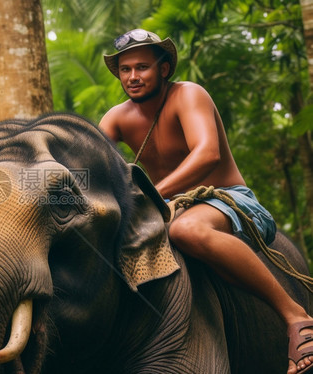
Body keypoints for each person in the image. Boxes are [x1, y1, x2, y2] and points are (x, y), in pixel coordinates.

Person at [98, 28, 313, 374]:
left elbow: (207, 154)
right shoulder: (116, 117)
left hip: (228, 201)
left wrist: (154, 196)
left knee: (187, 231)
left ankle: (295, 316)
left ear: (164, 69)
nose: (133, 77)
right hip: (168, 208)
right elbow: (94, 166)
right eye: (126, 70)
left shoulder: (188, 95)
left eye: (142, 67)